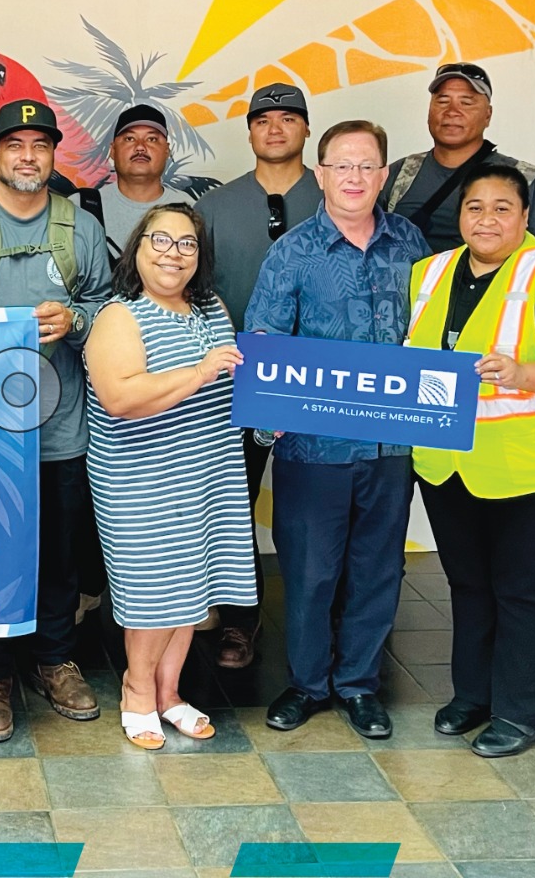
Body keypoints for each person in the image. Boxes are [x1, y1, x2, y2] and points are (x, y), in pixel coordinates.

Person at [407, 166, 535, 757]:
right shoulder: (429, 273)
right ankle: (474, 693)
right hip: (455, 463)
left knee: (528, 589)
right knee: (471, 584)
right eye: (476, 207)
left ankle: (523, 711)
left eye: (503, 208)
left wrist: (524, 374)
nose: (487, 219)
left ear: (525, 218)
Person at [0, 98, 113, 742]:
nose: (28, 156)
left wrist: (78, 320)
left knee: (60, 553)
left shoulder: (79, 225)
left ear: (52, 154)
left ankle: (55, 660)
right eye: (15, 146)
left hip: (61, 426)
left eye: (40, 145)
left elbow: (105, 302)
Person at [245, 120, 429, 740]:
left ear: (383, 175)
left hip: (392, 444)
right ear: (319, 173)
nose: (354, 178)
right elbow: (265, 340)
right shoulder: (291, 252)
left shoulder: (412, 245)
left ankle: (359, 685)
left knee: (378, 568)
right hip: (312, 446)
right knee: (311, 571)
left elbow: (430, 334)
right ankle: (307, 683)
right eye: (341, 166)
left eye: (366, 166)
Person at [84, 204, 256, 750]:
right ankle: (136, 693)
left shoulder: (210, 308)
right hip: (143, 478)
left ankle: (169, 693)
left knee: (193, 588)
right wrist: (200, 371)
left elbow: (233, 383)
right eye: (160, 240)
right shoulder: (119, 314)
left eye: (186, 244)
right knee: (154, 592)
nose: (173, 253)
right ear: (137, 248)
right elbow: (120, 398)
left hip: (209, 470)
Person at [194, 82, 323, 668]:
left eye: (288, 118)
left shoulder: (336, 197)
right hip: (236, 380)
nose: (275, 128)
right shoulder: (215, 207)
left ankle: (325, 624)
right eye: (262, 119)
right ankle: (239, 623)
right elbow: (192, 292)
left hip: (322, 384)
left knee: (316, 507)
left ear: (306, 129)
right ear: (248, 131)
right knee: (232, 504)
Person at [379, 62, 535, 256]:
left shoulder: (523, 180)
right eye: (443, 101)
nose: (452, 111)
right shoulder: (399, 174)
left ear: (488, 115)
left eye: (467, 102)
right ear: (429, 111)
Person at [72, 105, 190, 257]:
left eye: (152, 139)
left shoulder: (190, 209)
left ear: (167, 150)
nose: (140, 147)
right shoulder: (80, 207)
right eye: (129, 138)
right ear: (113, 150)